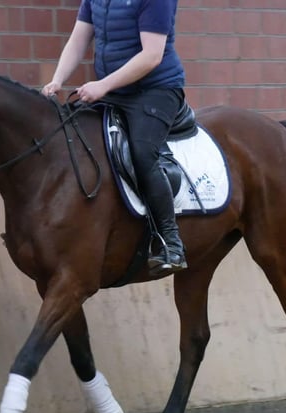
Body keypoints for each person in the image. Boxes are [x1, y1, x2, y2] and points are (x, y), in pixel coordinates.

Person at [42, 0, 187, 274]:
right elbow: (78, 39)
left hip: (155, 90)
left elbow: (152, 56)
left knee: (142, 154)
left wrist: (103, 85)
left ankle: (170, 242)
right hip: (115, 91)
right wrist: (57, 80)